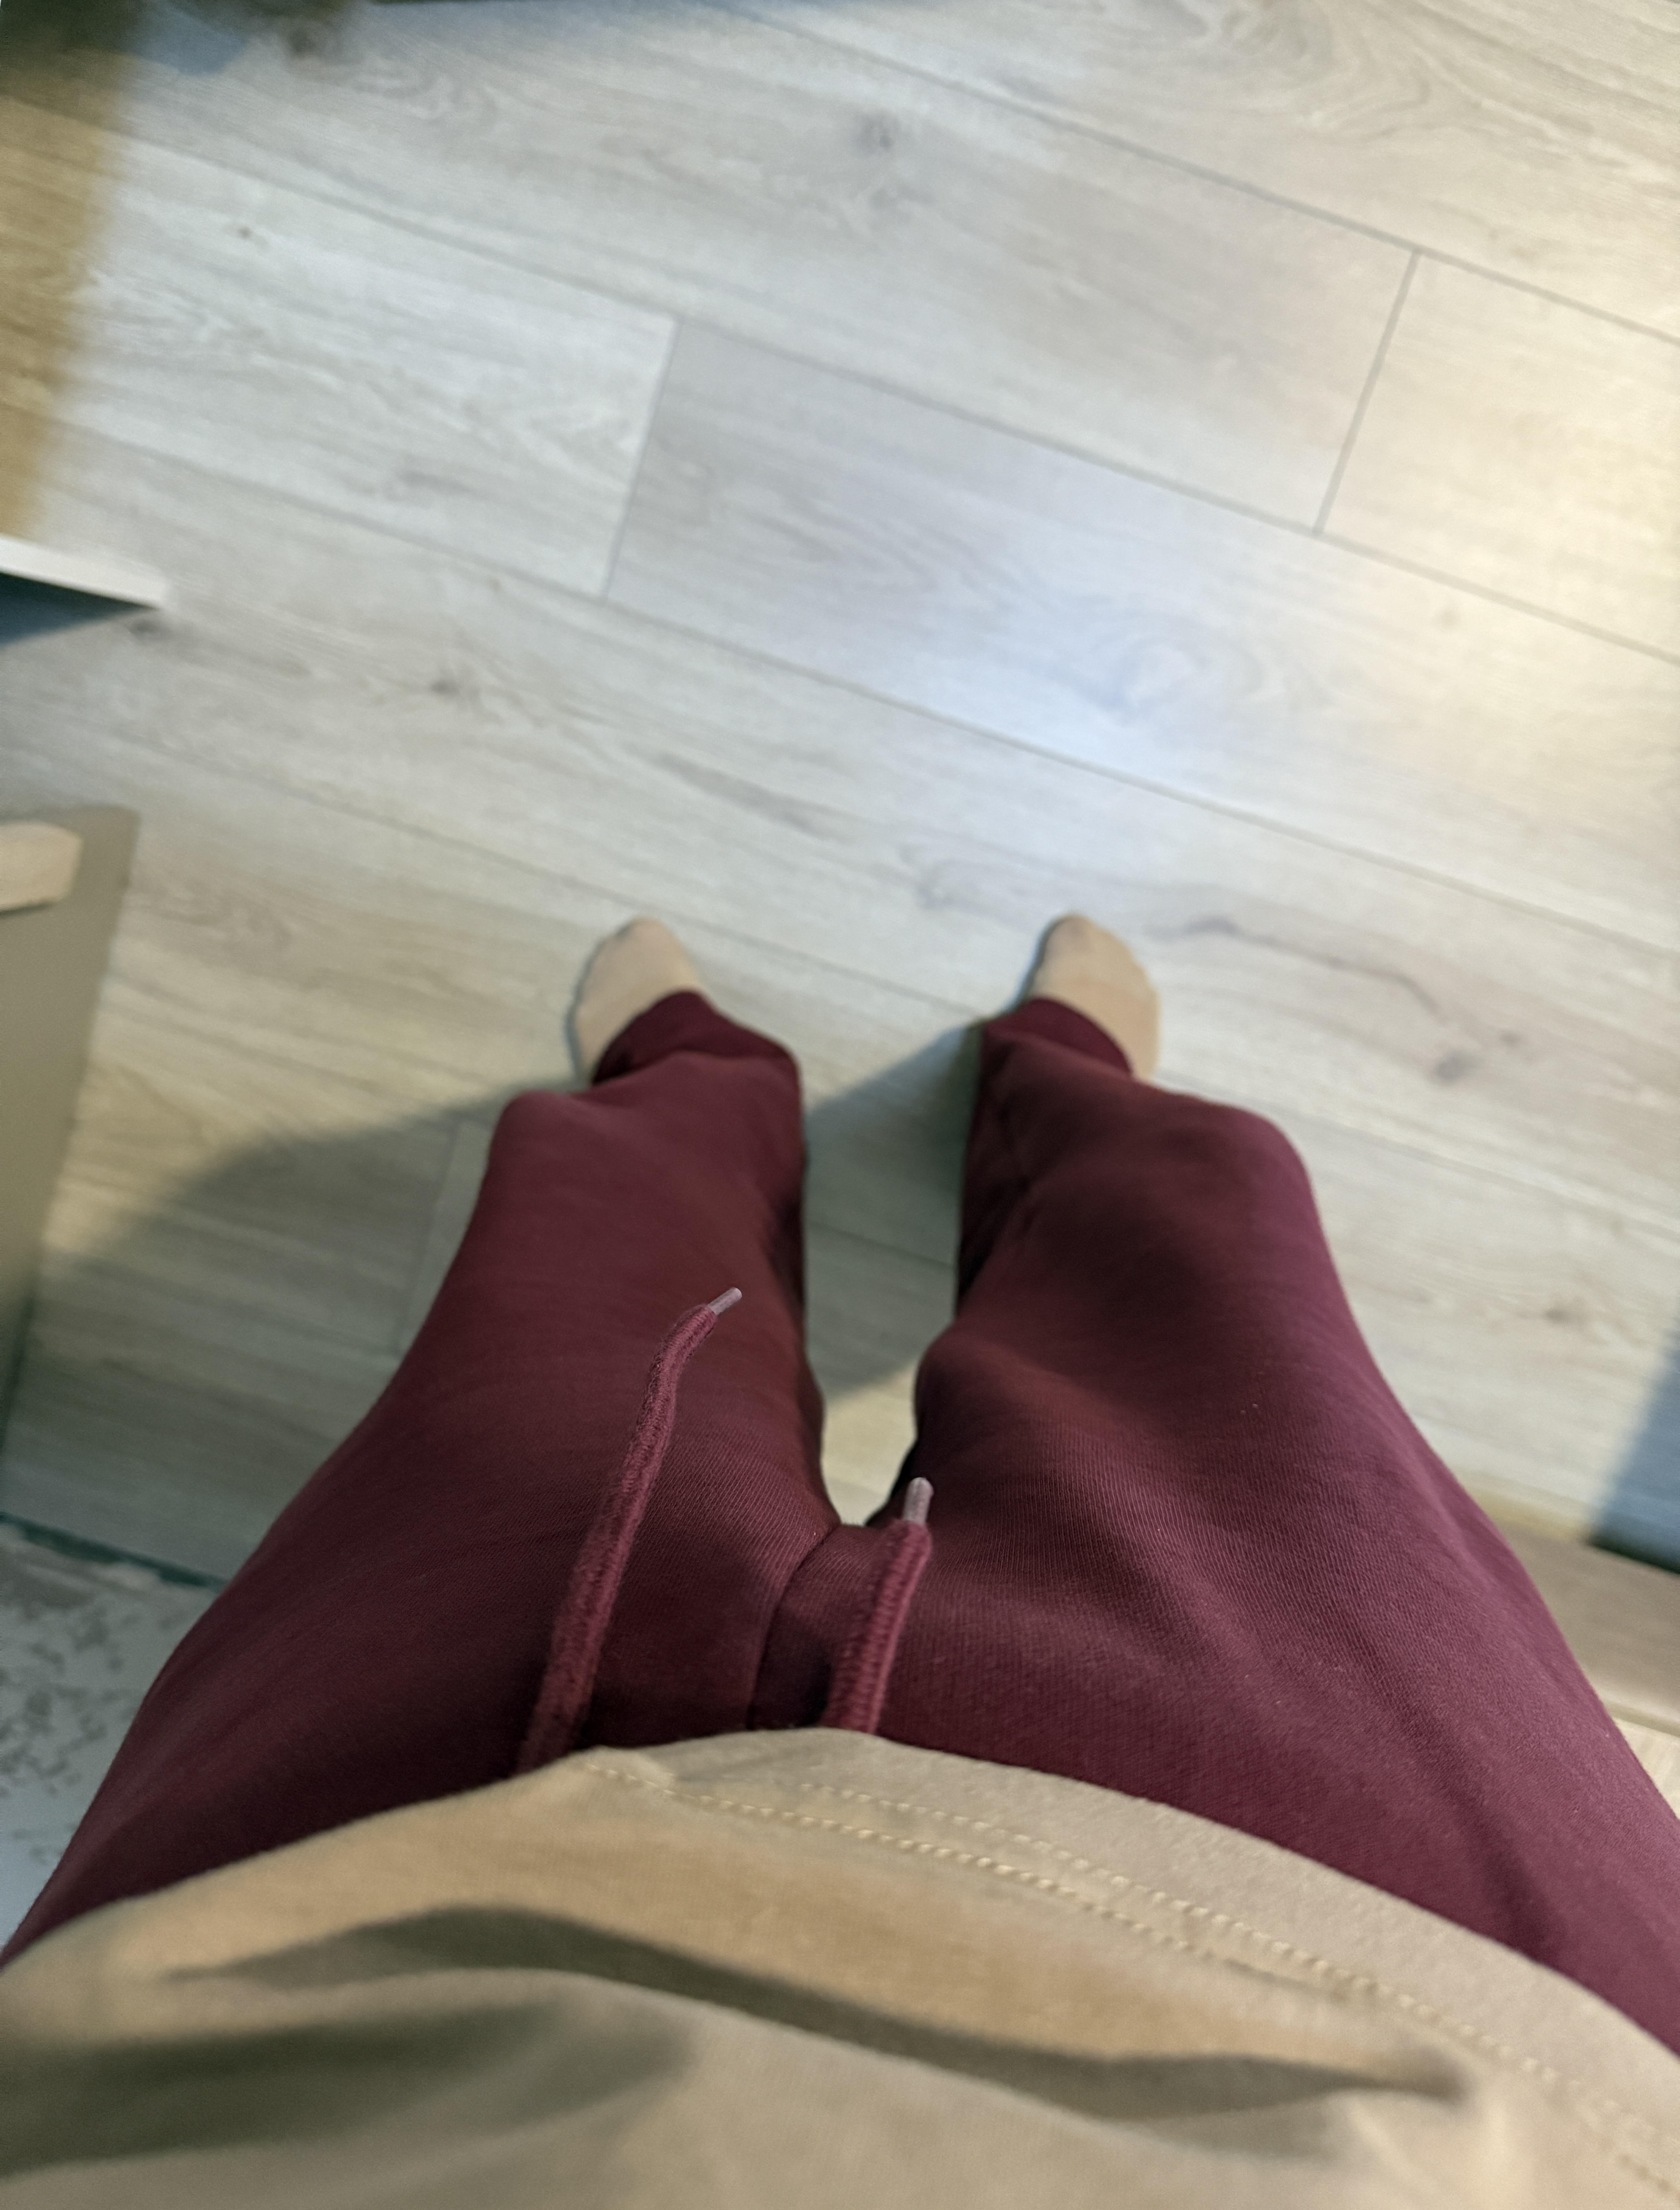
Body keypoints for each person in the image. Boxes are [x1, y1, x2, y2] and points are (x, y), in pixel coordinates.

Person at [0, 915, 1677, 2208]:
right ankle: (1065, 1084)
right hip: (1455, 2021)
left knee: (584, 1267)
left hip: (332, 1950)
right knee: (1222, 1261)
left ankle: (696, 1078)